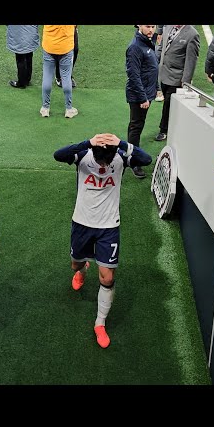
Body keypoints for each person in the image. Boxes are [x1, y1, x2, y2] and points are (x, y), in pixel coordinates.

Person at [53, 133, 152, 348]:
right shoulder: (83, 155)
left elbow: (146, 160)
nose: (104, 167)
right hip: (82, 223)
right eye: (100, 162)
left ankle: (100, 323)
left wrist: (123, 144)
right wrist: (87, 142)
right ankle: (82, 269)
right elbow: (58, 155)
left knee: (107, 278)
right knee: (75, 264)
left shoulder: (120, 157)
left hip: (109, 226)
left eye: (107, 162)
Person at [156, 25, 200, 141]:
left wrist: (185, 81)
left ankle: (163, 130)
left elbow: (191, 61)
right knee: (167, 102)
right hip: (163, 74)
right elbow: (161, 48)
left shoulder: (192, 34)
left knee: (168, 105)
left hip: (176, 77)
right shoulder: (168, 27)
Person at [125, 25, 158, 179]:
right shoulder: (135, 47)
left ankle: (130, 152)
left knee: (137, 125)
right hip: (140, 96)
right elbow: (133, 75)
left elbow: (151, 68)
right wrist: (143, 97)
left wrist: (156, 88)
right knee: (136, 126)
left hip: (147, 93)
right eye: (148, 26)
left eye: (153, 26)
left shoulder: (147, 41)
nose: (151, 29)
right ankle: (133, 161)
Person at [41, 25, 77, 118]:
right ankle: (69, 110)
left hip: (49, 45)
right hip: (66, 47)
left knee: (47, 76)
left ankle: (45, 109)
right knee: (66, 77)